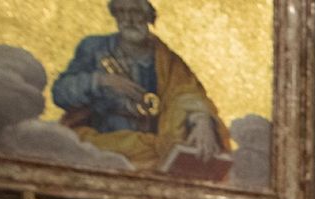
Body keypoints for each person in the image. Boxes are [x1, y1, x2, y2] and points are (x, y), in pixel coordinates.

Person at [51, 0, 231, 173]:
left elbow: (186, 93)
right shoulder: (94, 48)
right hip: (103, 142)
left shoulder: (167, 60)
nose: (128, 19)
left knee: (173, 152)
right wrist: (100, 80)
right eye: (122, 12)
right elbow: (60, 92)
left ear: (148, 17)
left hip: (151, 148)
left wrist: (201, 119)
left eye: (135, 12)